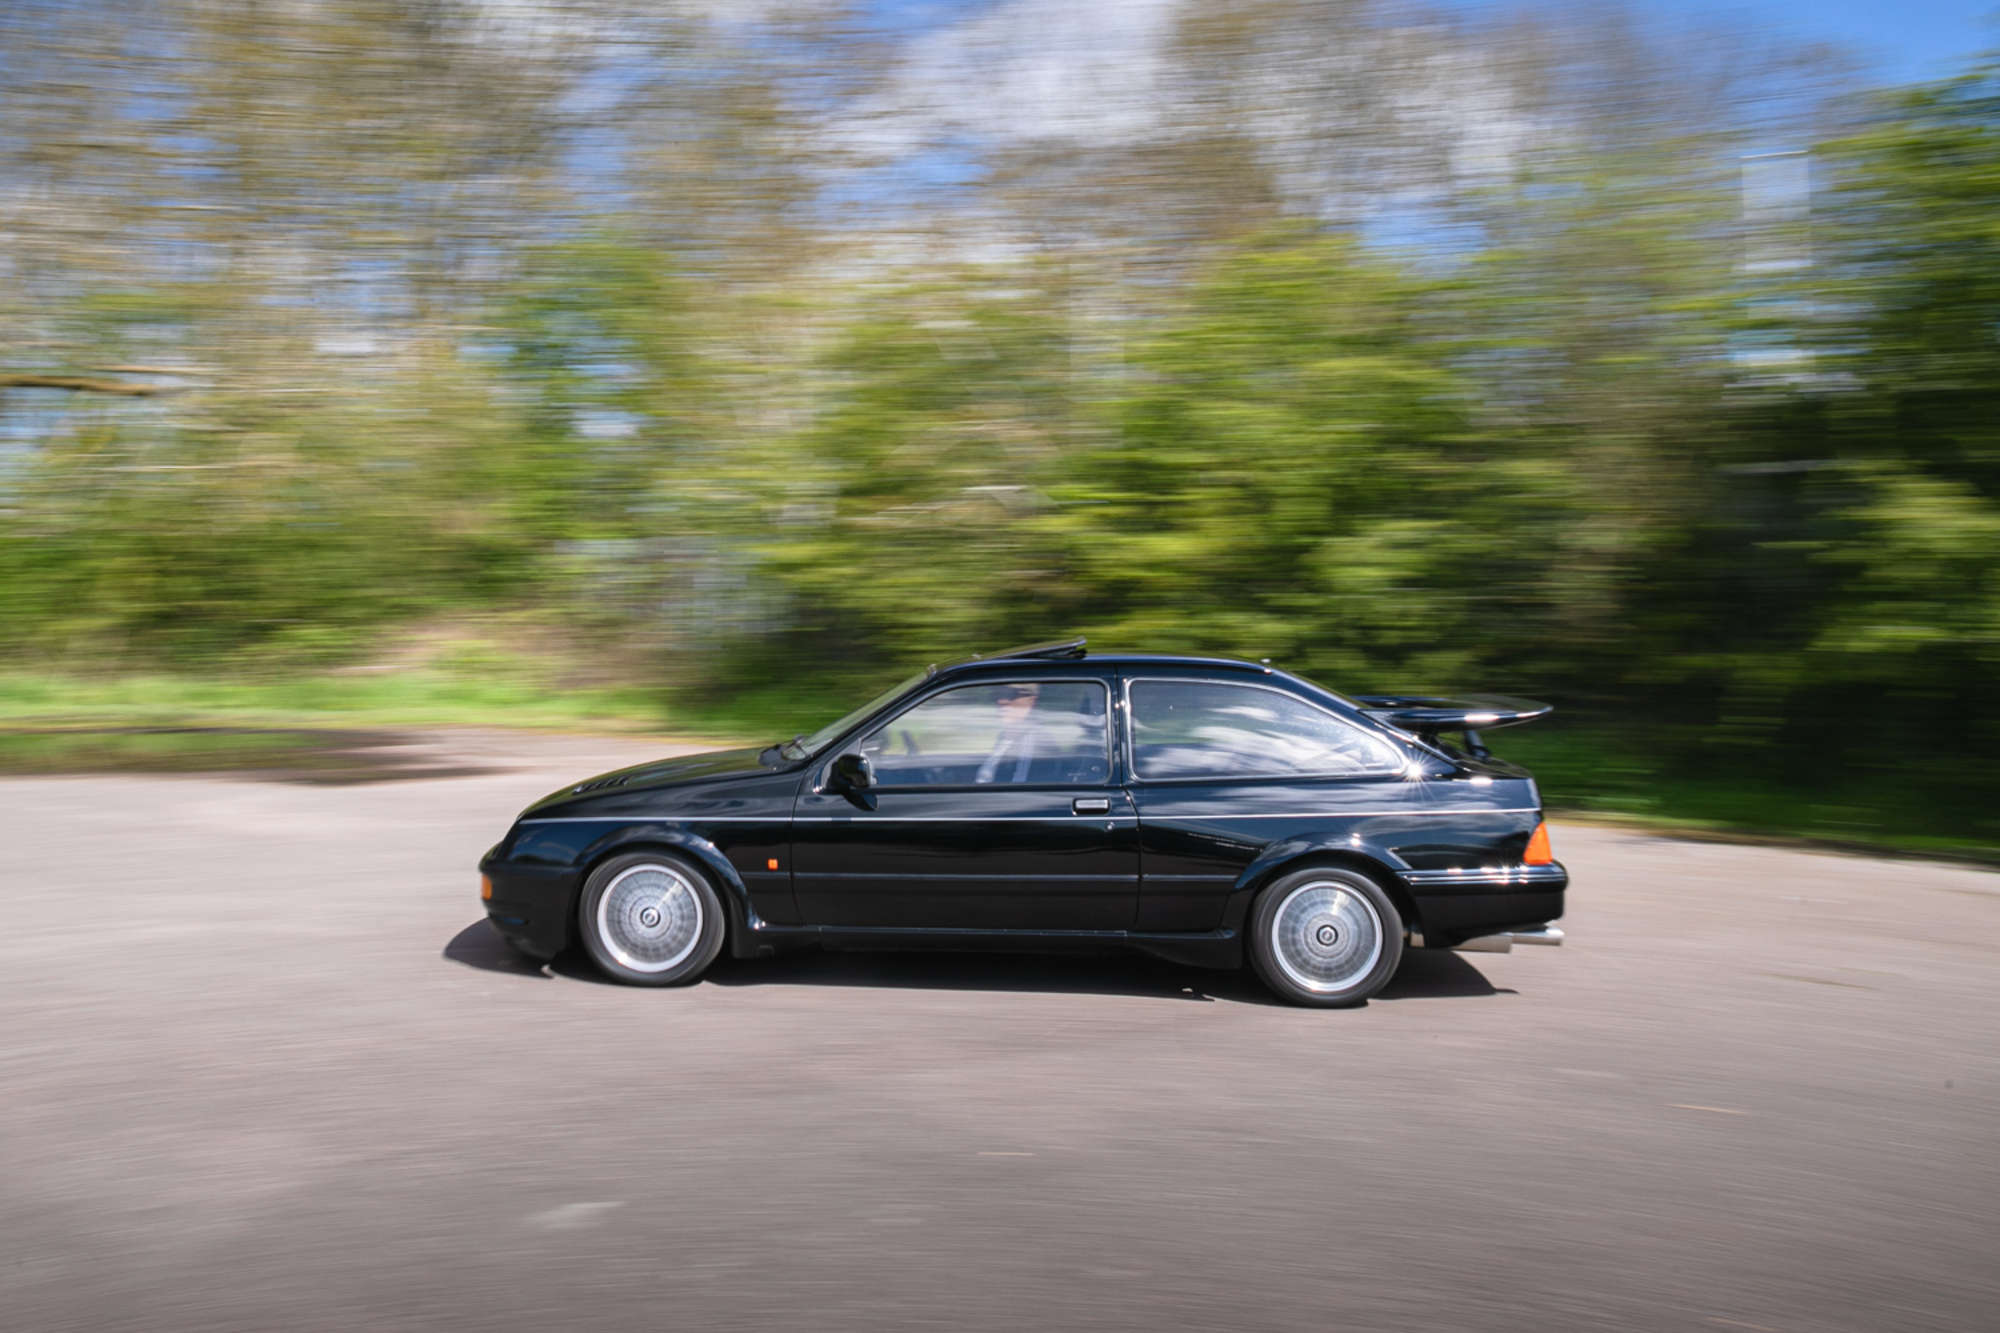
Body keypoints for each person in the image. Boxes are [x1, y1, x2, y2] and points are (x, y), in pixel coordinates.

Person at [974, 683, 1042, 784]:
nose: (1002, 701)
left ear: (1031, 701)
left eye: (1011, 694)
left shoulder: (1037, 741)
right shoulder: (1005, 736)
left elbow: (1019, 789)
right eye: (998, 694)